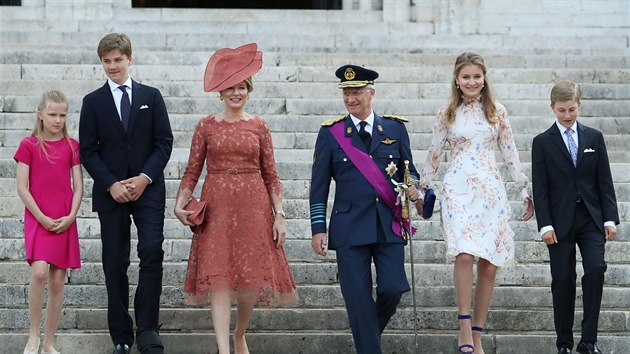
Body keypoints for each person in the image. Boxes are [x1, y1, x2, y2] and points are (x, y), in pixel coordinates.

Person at [173, 43, 298, 354]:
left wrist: (279, 215)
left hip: (254, 208)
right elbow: (192, 171)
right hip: (216, 207)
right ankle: (223, 348)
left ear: (249, 89)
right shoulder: (205, 126)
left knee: (250, 279)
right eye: (230, 87)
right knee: (219, 278)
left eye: (241, 87)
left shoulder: (259, 126)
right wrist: (179, 203)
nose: (236, 93)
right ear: (221, 92)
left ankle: (239, 333)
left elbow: (271, 174)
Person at [415, 52, 534, 353]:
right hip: (457, 190)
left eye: (476, 76)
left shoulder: (497, 111)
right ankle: (464, 326)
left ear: (484, 78)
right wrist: (420, 190)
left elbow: (510, 153)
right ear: (456, 79)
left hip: (490, 192)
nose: (471, 82)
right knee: (464, 254)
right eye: (466, 77)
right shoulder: (447, 114)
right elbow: (433, 154)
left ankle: (478, 333)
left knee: (490, 266)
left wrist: (524, 190)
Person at [309, 64, 421, 354]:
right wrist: (318, 229)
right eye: (346, 93)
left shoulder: (395, 129)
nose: (350, 98)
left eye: (356, 92)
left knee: (393, 289)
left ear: (372, 92)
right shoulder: (332, 133)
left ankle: (366, 336)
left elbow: (411, 172)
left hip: (388, 223)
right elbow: (318, 186)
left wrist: (414, 187)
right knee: (358, 297)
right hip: (349, 227)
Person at [79, 33, 173, 354]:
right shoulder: (92, 102)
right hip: (111, 194)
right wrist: (111, 184)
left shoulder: (152, 96)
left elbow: (164, 142)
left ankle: (147, 329)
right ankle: (121, 335)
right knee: (114, 261)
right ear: (101, 62)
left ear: (129, 59)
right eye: (106, 61)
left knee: (151, 252)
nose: (112, 66)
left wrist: (145, 178)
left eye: (118, 60)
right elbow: (88, 151)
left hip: (148, 191)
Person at [532, 80, 619, 354]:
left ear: (579, 105)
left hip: (591, 218)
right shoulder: (542, 142)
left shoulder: (594, 137)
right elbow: (540, 187)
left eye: (571, 109)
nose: (567, 116)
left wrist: (610, 219)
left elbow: (604, 180)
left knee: (595, 269)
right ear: (552, 108)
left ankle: (588, 342)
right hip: (558, 223)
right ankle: (564, 344)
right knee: (562, 280)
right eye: (561, 110)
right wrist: (544, 224)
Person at [15, 90, 83, 354]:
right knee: (40, 272)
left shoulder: (71, 146)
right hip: (38, 216)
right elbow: (22, 188)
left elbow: (78, 186)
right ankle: (33, 334)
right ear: (40, 114)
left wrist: (72, 216)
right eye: (52, 114)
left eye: (62, 115)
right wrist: (41, 217)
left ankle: (49, 341)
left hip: (64, 217)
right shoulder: (28, 145)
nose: (58, 120)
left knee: (57, 281)